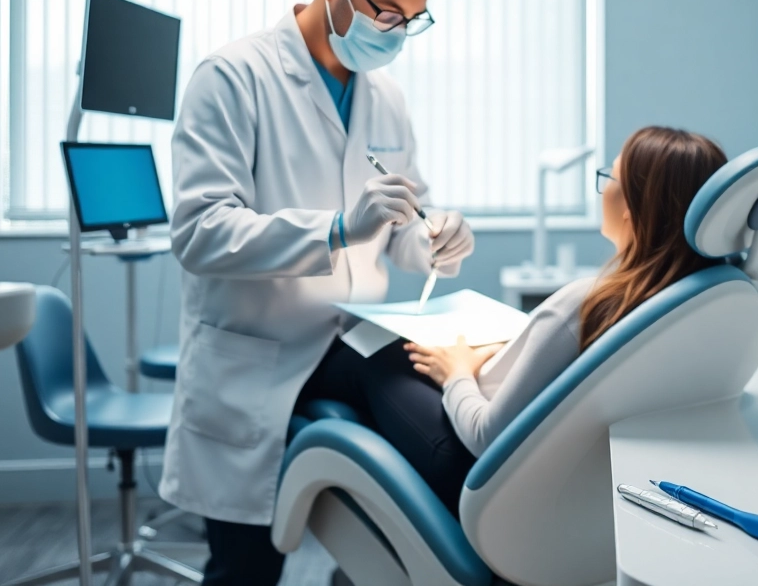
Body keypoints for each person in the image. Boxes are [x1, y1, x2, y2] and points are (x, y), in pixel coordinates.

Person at [159, 0, 476, 586]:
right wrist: (334, 230)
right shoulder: (232, 77)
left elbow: (400, 222)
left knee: (437, 469)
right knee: (244, 572)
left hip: (349, 340)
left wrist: (434, 240)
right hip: (257, 355)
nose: (395, 32)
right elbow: (199, 231)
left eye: (410, 19)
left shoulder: (384, 96)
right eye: (385, 11)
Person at [297, 126, 728, 511]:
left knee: (372, 349)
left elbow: (486, 437)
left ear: (635, 208)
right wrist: (499, 355)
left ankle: (302, 400)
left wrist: (458, 373)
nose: (602, 190)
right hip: (554, 475)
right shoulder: (681, 300)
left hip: (470, 472)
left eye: (609, 178)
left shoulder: (583, 306)